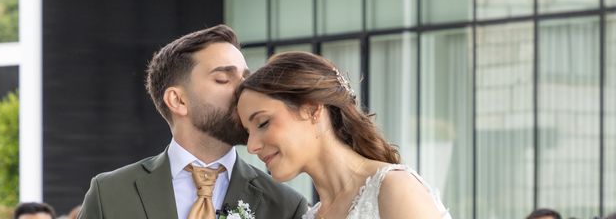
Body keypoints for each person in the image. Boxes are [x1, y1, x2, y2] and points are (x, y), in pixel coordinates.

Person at [79, 24, 307, 219]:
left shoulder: (286, 206)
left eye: (246, 78)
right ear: (177, 100)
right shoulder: (109, 194)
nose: (244, 89)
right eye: (223, 79)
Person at [236, 51, 452, 219]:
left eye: (263, 123)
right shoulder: (310, 215)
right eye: (248, 132)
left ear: (312, 109)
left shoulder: (394, 188)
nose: (252, 146)